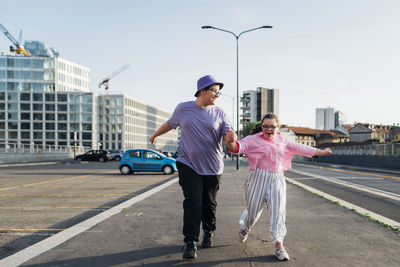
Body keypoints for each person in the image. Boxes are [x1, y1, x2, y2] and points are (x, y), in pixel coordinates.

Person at [225, 113, 331, 261]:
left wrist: (321, 152)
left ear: (278, 127)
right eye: (265, 126)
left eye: (272, 126)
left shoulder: (283, 141)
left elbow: (301, 148)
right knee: (253, 212)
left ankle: (278, 245)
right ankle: (246, 227)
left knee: (278, 211)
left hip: (277, 178)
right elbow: (237, 148)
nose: (269, 129)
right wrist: (230, 142)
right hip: (257, 178)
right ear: (262, 127)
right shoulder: (253, 140)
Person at [149, 75, 234, 259]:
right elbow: (170, 124)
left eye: (219, 92)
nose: (217, 95)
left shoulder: (220, 113)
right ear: (202, 90)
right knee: (193, 202)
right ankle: (190, 241)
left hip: (212, 167)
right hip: (188, 163)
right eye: (215, 91)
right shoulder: (183, 108)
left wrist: (231, 139)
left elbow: (229, 135)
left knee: (208, 204)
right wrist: (155, 135)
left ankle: (209, 230)